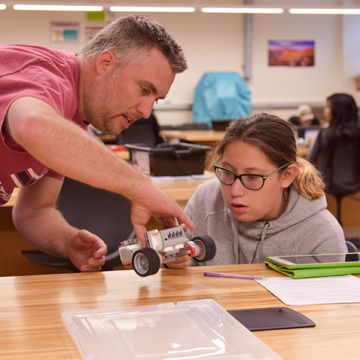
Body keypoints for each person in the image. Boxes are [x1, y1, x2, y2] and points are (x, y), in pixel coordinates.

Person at [0, 15, 195, 272]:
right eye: (144, 90)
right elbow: (33, 126)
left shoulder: (71, 124)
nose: (147, 112)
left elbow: (34, 211)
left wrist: (68, 241)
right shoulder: (45, 74)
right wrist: (140, 187)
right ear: (105, 63)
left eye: (156, 99)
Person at [165, 113, 347, 268]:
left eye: (252, 177)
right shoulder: (205, 199)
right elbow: (177, 278)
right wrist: (170, 261)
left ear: (287, 175)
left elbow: (324, 308)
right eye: (227, 172)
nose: (235, 191)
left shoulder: (323, 235)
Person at [307, 93, 360, 189]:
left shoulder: (325, 134)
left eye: (328, 107)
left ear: (337, 111)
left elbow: (310, 160)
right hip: (356, 187)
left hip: (328, 187)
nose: (325, 110)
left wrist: (312, 143)